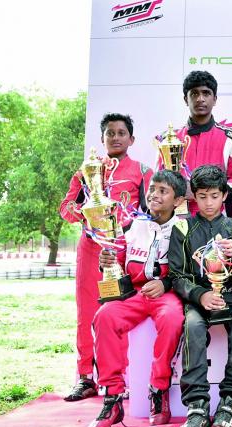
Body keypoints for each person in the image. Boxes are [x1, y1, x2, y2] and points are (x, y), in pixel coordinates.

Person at [59, 113, 152, 402]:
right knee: (86, 312)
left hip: (125, 248)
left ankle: (119, 380)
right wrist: (89, 214)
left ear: (131, 139)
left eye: (121, 132)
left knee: (119, 312)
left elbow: (150, 211)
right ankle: (85, 377)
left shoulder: (141, 170)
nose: (115, 137)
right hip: (91, 248)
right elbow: (65, 208)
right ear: (101, 139)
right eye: (109, 133)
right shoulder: (86, 170)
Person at [87, 170, 188, 427]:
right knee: (105, 316)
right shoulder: (132, 224)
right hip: (133, 293)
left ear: (177, 200)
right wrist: (107, 263)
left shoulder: (184, 227)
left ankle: (159, 388)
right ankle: (113, 397)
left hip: (166, 294)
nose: (154, 194)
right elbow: (117, 259)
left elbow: (189, 270)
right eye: (152, 188)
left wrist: (165, 283)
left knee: (172, 318)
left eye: (163, 191)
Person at [167, 164, 232, 427]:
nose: (208, 202)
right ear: (194, 196)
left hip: (230, 294)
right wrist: (200, 295)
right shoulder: (182, 227)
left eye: (214, 195)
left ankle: (230, 403)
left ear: (224, 195)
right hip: (198, 296)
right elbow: (177, 275)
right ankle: (197, 405)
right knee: (192, 327)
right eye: (202, 196)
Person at [162, 70, 232, 217]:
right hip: (176, 221)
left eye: (206, 93)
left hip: (217, 221)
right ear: (185, 99)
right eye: (194, 94)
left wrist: (206, 191)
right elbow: (158, 182)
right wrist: (179, 190)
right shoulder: (168, 141)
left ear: (215, 99)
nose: (200, 99)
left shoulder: (231, 139)